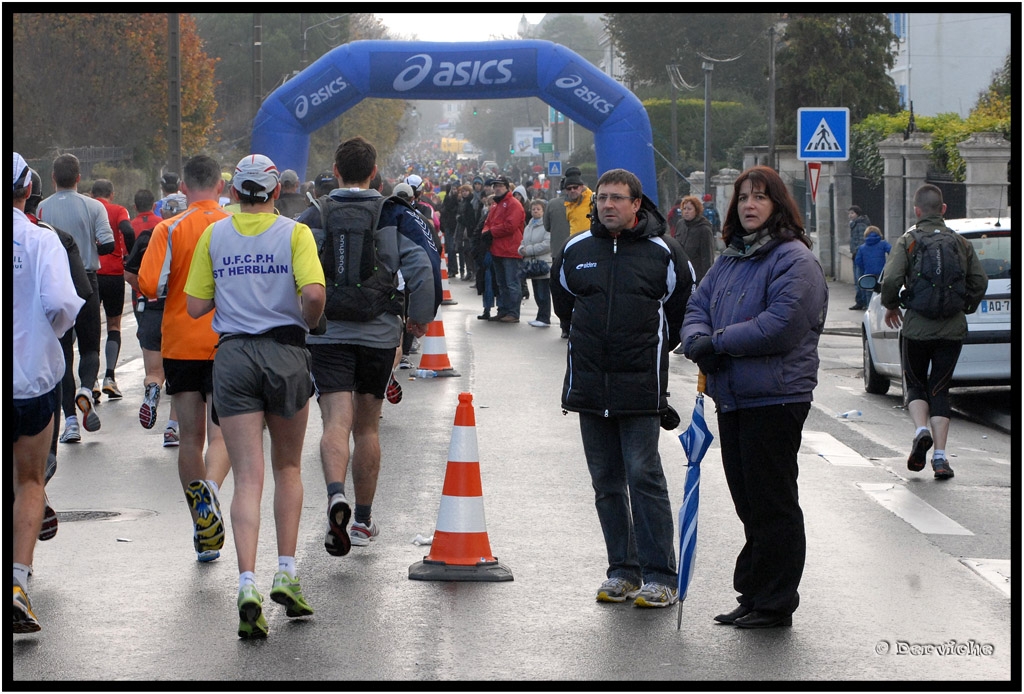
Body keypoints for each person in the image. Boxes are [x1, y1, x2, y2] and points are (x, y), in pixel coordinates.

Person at [185, 153, 326, 639]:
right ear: (272, 192)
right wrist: (308, 319)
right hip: (284, 351)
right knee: (288, 467)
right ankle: (286, 571)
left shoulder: (214, 234)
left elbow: (196, 304)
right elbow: (312, 295)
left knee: (248, 477)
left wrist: (233, 288)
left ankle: (247, 584)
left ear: (235, 192)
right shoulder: (295, 233)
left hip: (233, 355)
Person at [681, 165, 828, 629]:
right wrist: (699, 337)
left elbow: (781, 325)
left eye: (760, 197)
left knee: (772, 501)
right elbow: (696, 305)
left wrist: (717, 342)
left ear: (778, 205)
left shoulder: (794, 259)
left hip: (776, 397)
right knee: (748, 501)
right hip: (735, 396)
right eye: (743, 197)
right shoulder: (731, 258)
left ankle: (775, 602)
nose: (749, 205)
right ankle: (755, 592)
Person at [551, 168, 693, 608]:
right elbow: (566, 309)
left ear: (637, 204)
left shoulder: (665, 253)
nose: (608, 205)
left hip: (640, 391)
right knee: (606, 483)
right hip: (590, 388)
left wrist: (644, 352)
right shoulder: (576, 250)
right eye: (603, 198)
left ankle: (660, 575)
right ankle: (622, 571)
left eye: (618, 198)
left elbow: (680, 313)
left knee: (644, 477)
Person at [296, 136, 441, 558]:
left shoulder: (314, 214)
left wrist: (301, 322)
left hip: (327, 334)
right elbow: (423, 268)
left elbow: (295, 273)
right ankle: (361, 519)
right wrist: (418, 318)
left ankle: (335, 494)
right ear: (374, 172)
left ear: (336, 171)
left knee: (335, 423)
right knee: (367, 426)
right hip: (379, 334)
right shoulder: (395, 214)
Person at [137, 154, 232, 562]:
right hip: (228, 341)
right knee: (223, 435)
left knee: (189, 438)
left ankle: (200, 524)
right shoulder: (234, 227)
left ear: (183, 189)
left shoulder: (169, 228)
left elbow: (149, 286)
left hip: (180, 343)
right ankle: (211, 490)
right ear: (221, 187)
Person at [13, 152, 85, 633]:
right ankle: (16, 582)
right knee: (29, 482)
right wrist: (49, 333)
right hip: (28, 379)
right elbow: (62, 304)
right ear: (26, 189)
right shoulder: (40, 241)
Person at [879, 184, 988, 480]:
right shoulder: (961, 243)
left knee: (915, 384)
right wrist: (965, 307)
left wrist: (891, 305)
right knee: (940, 388)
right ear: (943, 210)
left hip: (916, 329)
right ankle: (940, 459)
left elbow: (890, 280)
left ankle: (921, 430)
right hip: (952, 331)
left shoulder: (908, 240)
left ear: (916, 211)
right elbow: (980, 282)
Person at [37, 153, 115, 444]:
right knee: (90, 346)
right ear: (80, 178)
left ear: (53, 178)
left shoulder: (42, 208)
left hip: (55, 282)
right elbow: (107, 244)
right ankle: (86, 389)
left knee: (62, 352)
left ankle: (70, 420)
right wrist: (89, 249)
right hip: (87, 282)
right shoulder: (93, 205)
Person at [124, 188, 180, 445]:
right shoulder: (192, 235)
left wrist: (145, 288)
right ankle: (172, 429)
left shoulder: (148, 236)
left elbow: (129, 272)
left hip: (151, 309)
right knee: (180, 378)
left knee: (155, 370)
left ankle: (153, 389)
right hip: (179, 311)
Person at [91, 179, 136, 401]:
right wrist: (129, 252)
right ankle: (110, 377)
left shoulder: (87, 207)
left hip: (90, 274)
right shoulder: (118, 210)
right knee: (113, 325)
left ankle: (92, 381)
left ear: (91, 193)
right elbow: (127, 229)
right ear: (112, 193)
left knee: (90, 327)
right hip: (114, 274)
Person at [482, 176, 525, 323]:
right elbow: (487, 222)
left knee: (511, 283)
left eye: (500, 186)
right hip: (497, 249)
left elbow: (510, 226)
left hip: (511, 250)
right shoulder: (496, 205)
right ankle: (503, 310)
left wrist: (491, 232)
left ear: (507, 187)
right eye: (495, 186)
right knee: (501, 283)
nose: (497, 188)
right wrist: (486, 232)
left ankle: (513, 313)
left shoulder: (514, 204)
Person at [544, 180, 572, 338]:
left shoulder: (552, 204)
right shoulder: (585, 204)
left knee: (560, 290)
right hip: (578, 252)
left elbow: (547, 226)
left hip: (557, 251)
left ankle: (564, 326)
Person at [520, 198, 552, 327]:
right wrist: (521, 249)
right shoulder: (529, 226)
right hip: (531, 264)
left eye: (538, 209)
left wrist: (529, 250)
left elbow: (547, 244)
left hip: (543, 263)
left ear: (544, 211)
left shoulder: (546, 226)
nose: (535, 211)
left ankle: (544, 318)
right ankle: (540, 316)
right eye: (533, 209)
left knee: (543, 292)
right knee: (536, 292)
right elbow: (524, 241)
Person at [674, 194, 716, 285]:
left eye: (689, 209)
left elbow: (707, 257)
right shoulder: (680, 224)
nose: (686, 212)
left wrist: (706, 280)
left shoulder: (704, 229)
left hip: (697, 276)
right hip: (680, 275)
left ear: (696, 211)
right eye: (684, 209)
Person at [852, 225, 891, 311]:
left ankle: (869, 308)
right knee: (881, 291)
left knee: (869, 292)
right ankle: (881, 308)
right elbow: (892, 252)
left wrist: (865, 268)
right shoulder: (883, 244)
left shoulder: (862, 247)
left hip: (868, 272)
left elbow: (858, 261)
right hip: (881, 273)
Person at [848, 205, 871, 309]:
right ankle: (860, 301)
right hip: (855, 254)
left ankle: (863, 302)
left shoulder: (860, 224)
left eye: (852, 213)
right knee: (857, 279)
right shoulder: (854, 224)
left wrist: (857, 252)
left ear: (857, 214)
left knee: (860, 278)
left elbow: (862, 240)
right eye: (849, 213)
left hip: (859, 255)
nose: (850, 215)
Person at [561, 167, 594, 235]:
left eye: (575, 187)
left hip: (589, 240)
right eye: (569, 188)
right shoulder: (568, 204)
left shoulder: (591, 199)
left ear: (582, 186)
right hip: (574, 241)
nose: (572, 190)